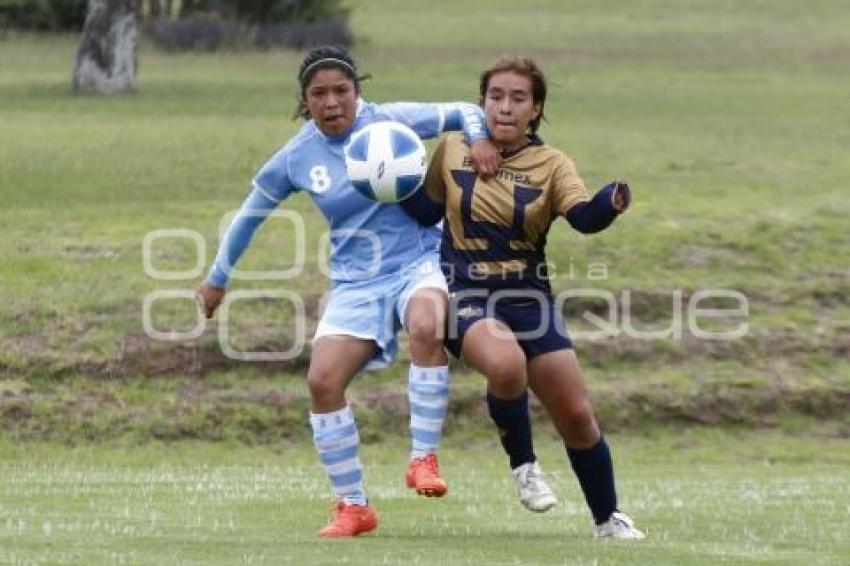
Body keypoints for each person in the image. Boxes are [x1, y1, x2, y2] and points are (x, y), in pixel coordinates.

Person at [195, 45, 500, 538]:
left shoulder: (392, 122)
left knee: (427, 323)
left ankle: (423, 458)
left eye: (342, 90)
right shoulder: (297, 155)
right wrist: (216, 279)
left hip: (420, 260)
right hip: (357, 281)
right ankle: (353, 507)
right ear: (304, 100)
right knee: (322, 382)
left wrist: (480, 138)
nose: (332, 101)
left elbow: (465, 111)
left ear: (359, 92)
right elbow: (250, 214)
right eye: (320, 93)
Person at [401, 56, 645, 539]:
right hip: (465, 291)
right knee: (506, 364)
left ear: (536, 109)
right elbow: (424, 208)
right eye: (496, 97)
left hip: (529, 298)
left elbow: (584, 218)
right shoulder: (451, 148)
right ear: (481, 102)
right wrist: (383, 179)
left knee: (576, 415)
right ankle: (525, 467)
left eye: (518, 99)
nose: (505, 107)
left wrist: (609, 203)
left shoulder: (552, 164)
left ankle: (607, 519)